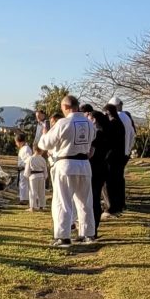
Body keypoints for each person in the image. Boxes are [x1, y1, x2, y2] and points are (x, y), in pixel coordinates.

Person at [37, 95, 96, 247]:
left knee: (63, 201)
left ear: (65, 107)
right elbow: (92, 139)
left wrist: (44, 132)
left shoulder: (64, 122)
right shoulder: (89, 123)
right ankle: (87, 233)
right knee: (85, 201)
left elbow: (45, 143)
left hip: (66, 164)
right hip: (84, 164)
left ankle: (63, 236)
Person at [82, 104, 111, 233]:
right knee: (96, 196)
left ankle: (92, 229)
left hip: (94, 167)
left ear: (94, 120)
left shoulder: (96, 134)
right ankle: (93, 228)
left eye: (90, 117)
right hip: (103, 167)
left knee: (92, 198)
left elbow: (90, 153)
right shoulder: (106, 132)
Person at [107, 98, 136, 216]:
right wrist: (128, 150)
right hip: (125, 153)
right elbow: (133, 134)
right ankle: (121, 203)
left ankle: (114, 205)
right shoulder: (127, 117)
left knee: (112, 179)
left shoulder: (115, 118)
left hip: (114, 153)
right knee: (119, 178)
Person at [15, 134, 32, 206]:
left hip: (25, 169)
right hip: (22, 169)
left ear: (20, 142)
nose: (16, 144)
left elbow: (29, 159)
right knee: (22, 183)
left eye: (16, 142)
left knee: (24, 184)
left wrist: (24, 166)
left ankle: (25, 199)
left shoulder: (26, 149)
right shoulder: (23, 148)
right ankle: (23, 198)